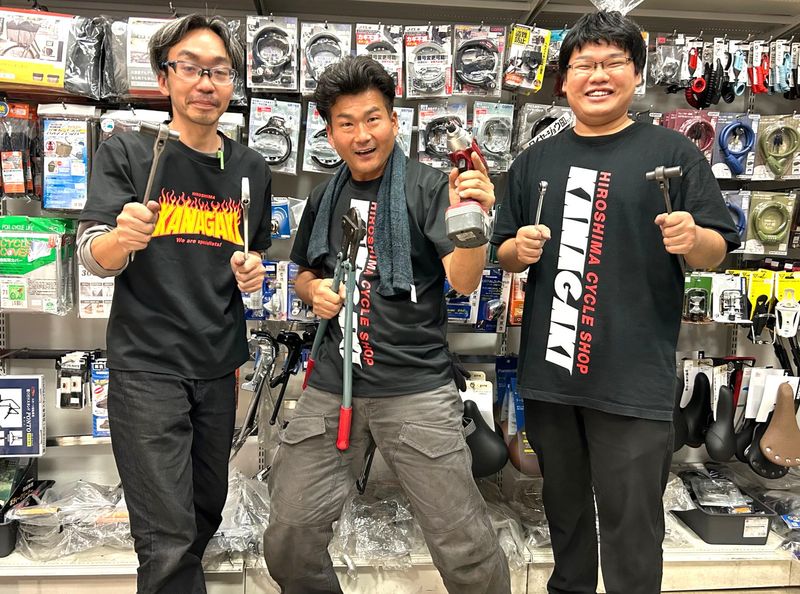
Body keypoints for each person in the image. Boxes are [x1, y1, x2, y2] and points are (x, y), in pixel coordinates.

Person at [492, 10, 740, 594]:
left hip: (633, 382)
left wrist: (693, 238)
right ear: (564, 79)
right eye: (585, 64)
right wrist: (515, 250)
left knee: (633, 535)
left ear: (637, 73)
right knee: (566, 521)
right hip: (553, 375)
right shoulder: (534, 161)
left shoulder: (675, 152)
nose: (598, 75)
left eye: (613, 62)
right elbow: (502, 251)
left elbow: (717, 252)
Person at [263, 55, 510, 594]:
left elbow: (464, 280)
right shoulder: (324, 196)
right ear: (330, 133)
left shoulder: (429, 188)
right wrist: (313, 292)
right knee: (288, 540)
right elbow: (302, 271)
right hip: (332, 388)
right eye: (346, 123)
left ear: (395, 121)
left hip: (418, 392)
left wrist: (472, 222)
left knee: (466, 551)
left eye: (373, 118)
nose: (362, 135)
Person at [77, 14, 271, 594]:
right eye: (191, 68)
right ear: (165, 79)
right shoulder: (129, 152)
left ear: (232, 83)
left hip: (218, 365)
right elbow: (93, 256)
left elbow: (251, 255)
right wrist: (120, 239)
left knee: (204, 510)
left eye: (219, 71)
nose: (206, 83)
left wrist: (252, 272)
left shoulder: (251, 170)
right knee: (166, 540)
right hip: (147, 367)